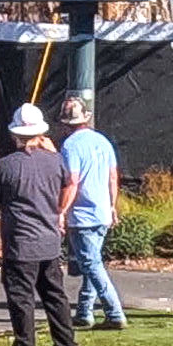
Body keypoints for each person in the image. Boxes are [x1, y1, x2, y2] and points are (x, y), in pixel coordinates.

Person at [0, 102, 76, 346]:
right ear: (41, 134)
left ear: (15, 134)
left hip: (20, 245)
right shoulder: (55, 161)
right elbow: (67, 185)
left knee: (21, 300)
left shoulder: (6, 166)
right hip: (49, 242)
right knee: (55, 296)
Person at [60, 91, 128, 332]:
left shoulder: (69, 146)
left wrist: (61, 211)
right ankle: (85, 311)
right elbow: (112, 177)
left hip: (83, 214)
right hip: (102, 212)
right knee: (93, 262)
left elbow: (72, 182)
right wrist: (112, 206)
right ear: (86, 118)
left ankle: (114, 311)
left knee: (91, 264)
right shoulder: (102, 141)